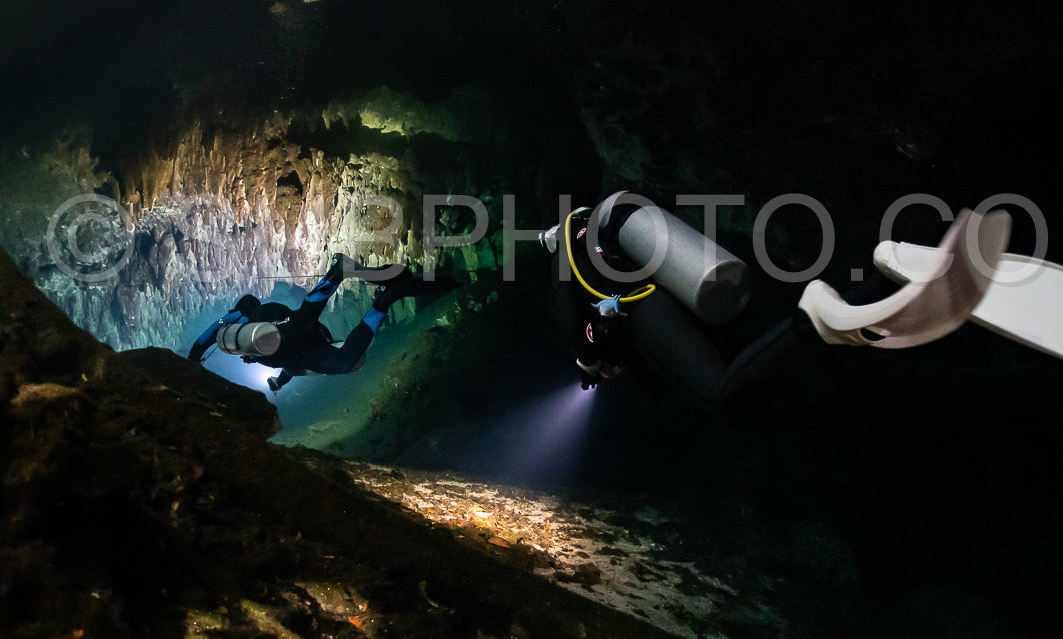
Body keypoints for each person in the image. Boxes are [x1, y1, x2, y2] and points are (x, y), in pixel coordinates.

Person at [542, 191, 1014, 410]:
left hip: (646, 301)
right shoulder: (600, 220)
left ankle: (817, 319)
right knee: (772, 343)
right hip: (687, 281)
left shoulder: (566, 243)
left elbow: (568, 312)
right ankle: (889, 272)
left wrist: (587, 360)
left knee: (717, 396)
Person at [187, 253, 460, 392]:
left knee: (297, 325)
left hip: (291, 333)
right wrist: (279, 384)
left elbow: (210, 333)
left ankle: (338, 273)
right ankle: (385, 299)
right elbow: (290, 365)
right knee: (345, 362)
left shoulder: (243, 314)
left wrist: (192, 359)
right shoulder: (275, 353)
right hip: (307, 346)